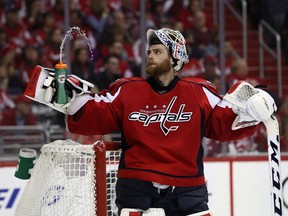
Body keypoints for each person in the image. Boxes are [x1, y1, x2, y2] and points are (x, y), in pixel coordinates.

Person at [25, 28, 277, 216]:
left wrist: (249, 112)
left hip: (187, 185)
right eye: (149, 52)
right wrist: (73, 101)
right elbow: (93, 117)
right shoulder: (127, 90)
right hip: (136, 183)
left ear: (175, 57)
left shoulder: (199, 92)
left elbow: (222, 126)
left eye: (157, 51)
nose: (150, 56)